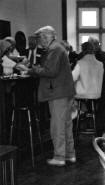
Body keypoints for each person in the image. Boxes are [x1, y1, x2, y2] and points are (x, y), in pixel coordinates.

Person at [28, 26, 76, 166]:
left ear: (45, 37)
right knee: (66, 124)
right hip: (64, 91)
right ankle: (69, 154)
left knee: (57, 125)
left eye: (40, 38)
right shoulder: (58, 48)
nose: (39, 42)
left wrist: (32, 69)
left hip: (57, 92)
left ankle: (59, 157)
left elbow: (51, 71)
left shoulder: (54, 49)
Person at [88, 37, 105, 135]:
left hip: (100, 89)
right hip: (98, 88)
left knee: (100, 112)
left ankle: (100, 133)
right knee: (99, 111)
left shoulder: (102, 56)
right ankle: (103, 128)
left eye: (95, 44)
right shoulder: (101, 56)